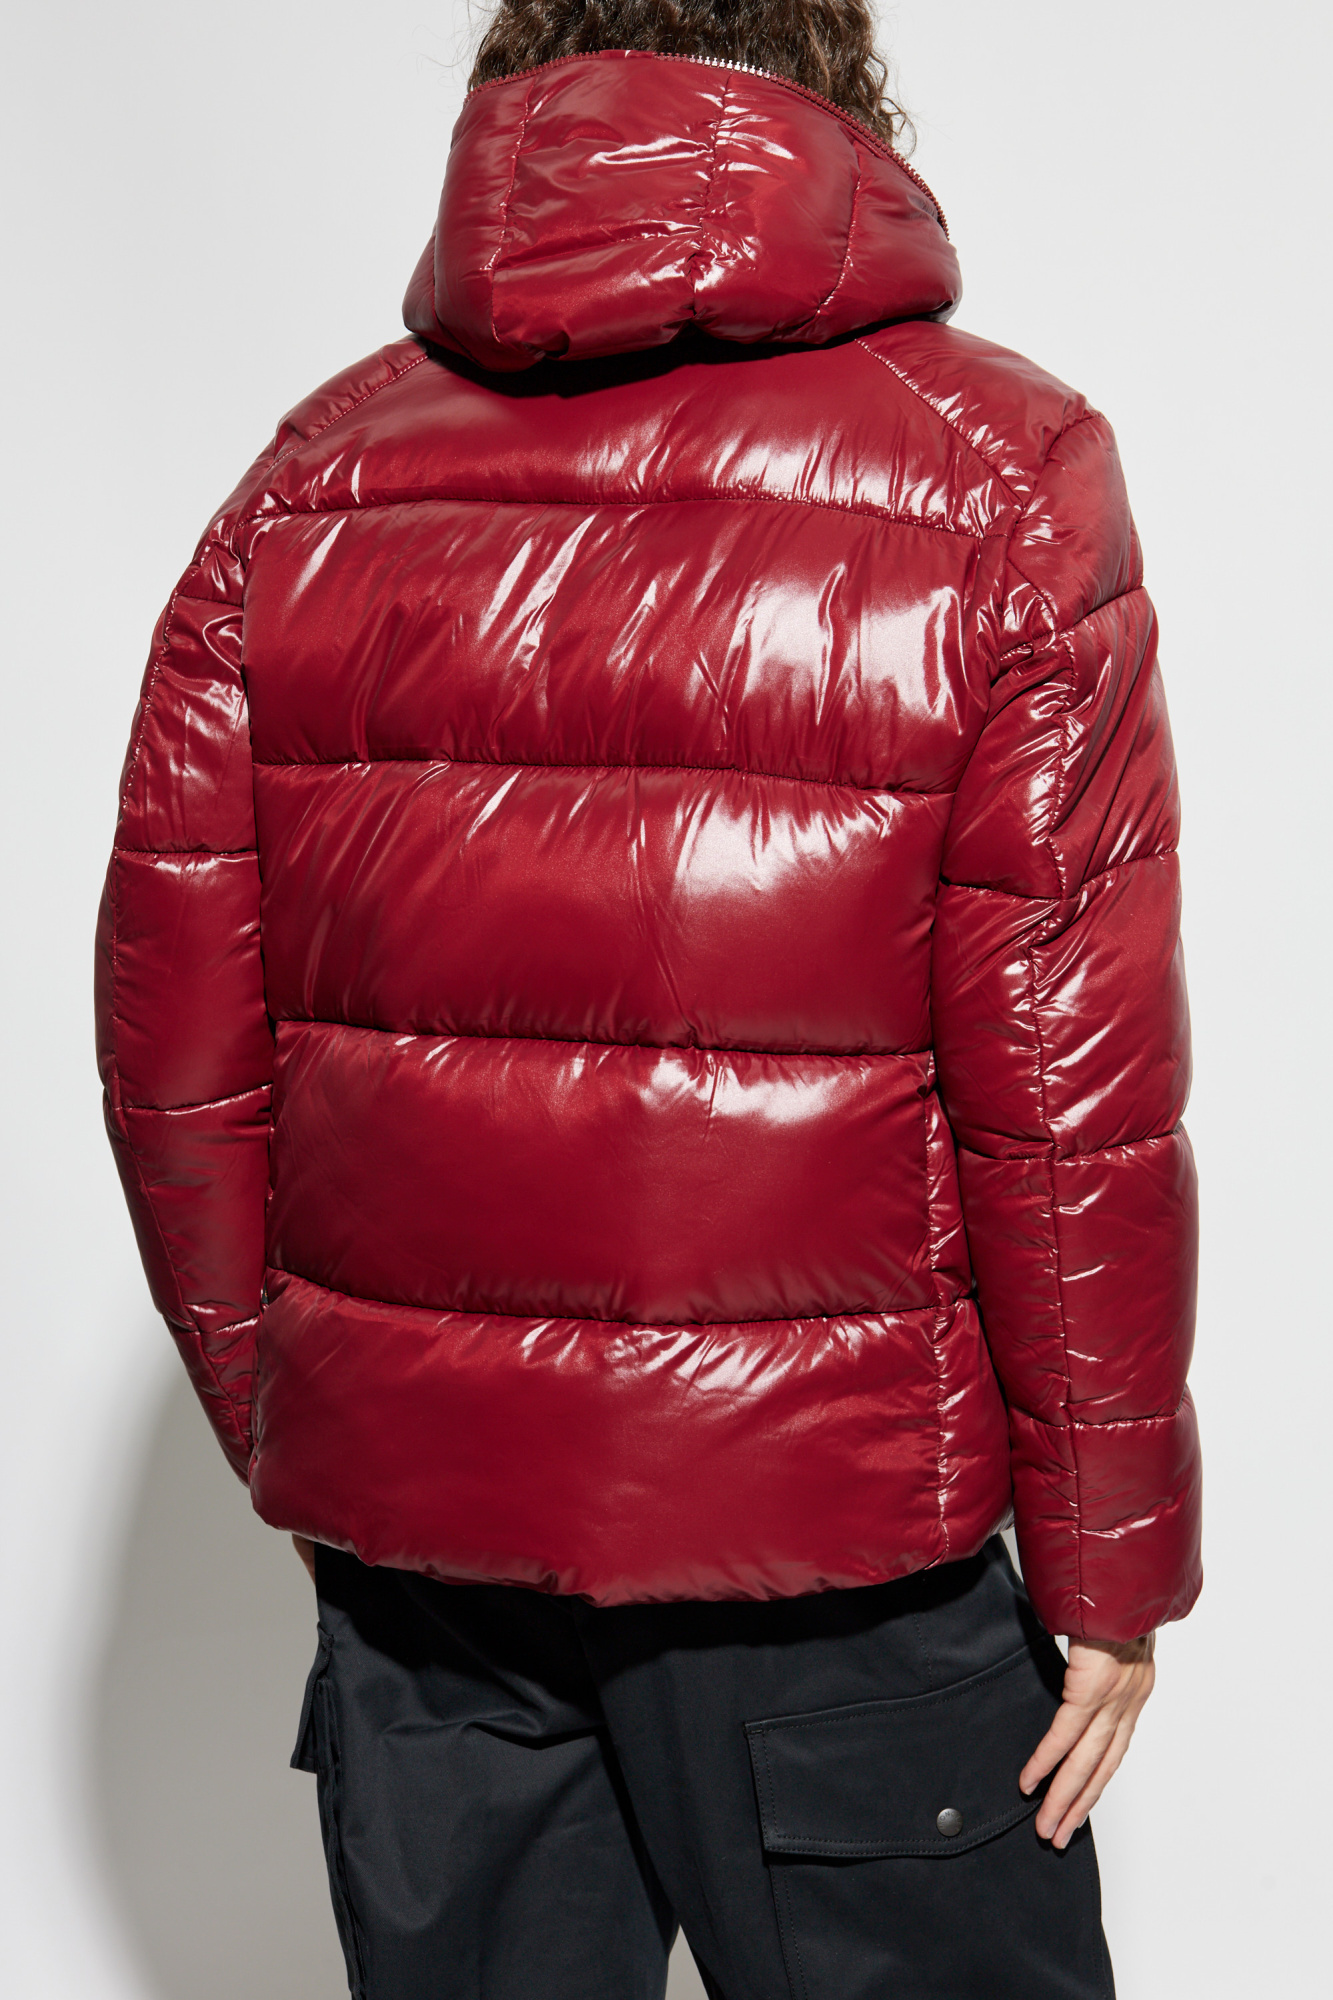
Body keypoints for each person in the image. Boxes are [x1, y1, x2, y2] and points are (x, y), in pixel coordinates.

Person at [95, 3, 1201, 1995]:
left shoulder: (312, 480)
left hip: (429, 1573)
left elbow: (174, 1039)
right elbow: (1066, 1083)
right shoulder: (1000, 473)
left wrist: (317, 1429)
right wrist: (1109, 1553)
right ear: (832, 93)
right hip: (835, 1551)